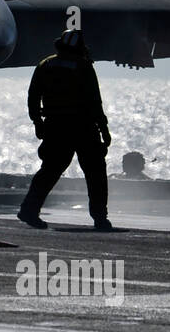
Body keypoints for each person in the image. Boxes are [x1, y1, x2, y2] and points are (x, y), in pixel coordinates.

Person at [17, 29, 113, 231]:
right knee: (96, 173)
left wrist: (37, 122)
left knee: (49, 171)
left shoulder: (46, 64)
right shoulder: (83, 66)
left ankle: (29, 209)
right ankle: (100, 218)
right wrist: (104, 129)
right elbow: (95, 101)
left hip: (55, 126)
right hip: (83, 127)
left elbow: (33, 96)